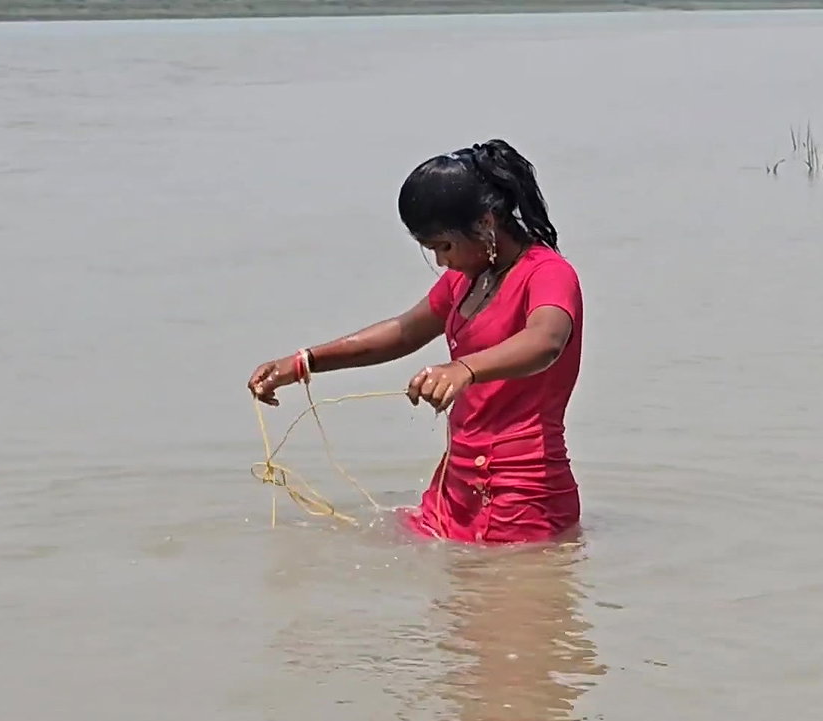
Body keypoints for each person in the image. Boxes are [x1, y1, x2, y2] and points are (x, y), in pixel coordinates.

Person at [246, 139, 583, 545]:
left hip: (524, 494)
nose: (442, 261)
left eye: (445, 246)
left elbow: (546, 341)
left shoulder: (546, 273)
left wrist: (465, 368)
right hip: (457, 485)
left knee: (506, 602)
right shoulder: (468, 279)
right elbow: (404, 331)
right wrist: (303, 362)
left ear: (487, 222)